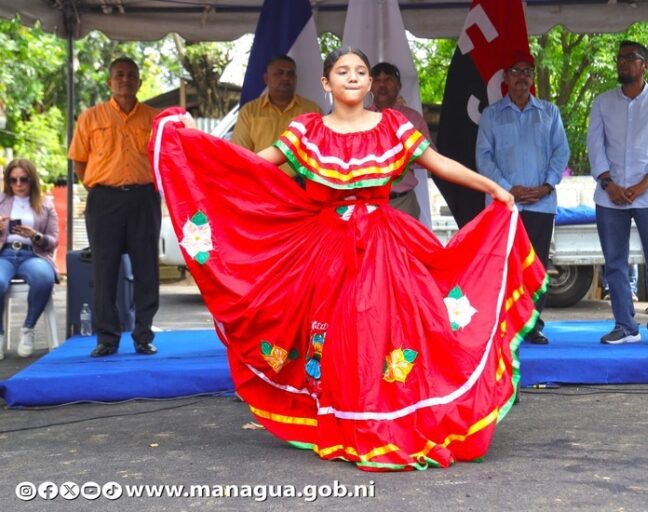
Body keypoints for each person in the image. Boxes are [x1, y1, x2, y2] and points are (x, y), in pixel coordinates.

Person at [150, 47, 546, 471]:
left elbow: (439, 163)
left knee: (386, 330)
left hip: (384, 245)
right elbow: (249, 166)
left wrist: (494, 189)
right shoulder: (308, 131)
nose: (354, 77)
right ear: (326, 83)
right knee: (338, 336)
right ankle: (345, 421)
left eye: (361, 71)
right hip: (326, 249)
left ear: (370, 82)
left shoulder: (393, 126)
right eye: (343, 71)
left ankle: (386, 418)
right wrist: (193, 142)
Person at [587, 40, 648, 346]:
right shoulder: (602, 102)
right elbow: (595, 147)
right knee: (614, 262)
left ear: (645, 65)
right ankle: (625, 326)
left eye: (629, 58)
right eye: (619, 58)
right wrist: (609, 183)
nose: (622, 63)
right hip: (609, 196)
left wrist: (642, 185)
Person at [67, 57, 161, 357]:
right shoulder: (90, 117)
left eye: (131, 75)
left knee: (147, 268)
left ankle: (143, 335)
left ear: (139, 82)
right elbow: (79, 161)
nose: (125, 79)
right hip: (104, 201)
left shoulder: (154, 118)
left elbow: (166, 157)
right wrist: (102, 185)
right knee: (105, 270)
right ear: (109, 82)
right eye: (119, 75)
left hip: (144, 198)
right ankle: (107, 338)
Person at [476, 50, 570, 345]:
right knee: (502, 264)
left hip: (541, 204)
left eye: (526, 71)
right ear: (505, 77)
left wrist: (546, 186)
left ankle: (533, 324)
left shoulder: (549, 112)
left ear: (532, 77)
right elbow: (483, 156)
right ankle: (504, 324)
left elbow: (561, 153)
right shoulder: (491, 115)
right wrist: (507, 189)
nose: (521, 77)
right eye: (515, 71)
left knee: (536, 266)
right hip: (504, 205)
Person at [0, 159, 58, 359]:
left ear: (32, 180)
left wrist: (35, 235)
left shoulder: (45, 204)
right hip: (4, 254)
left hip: (33, 254)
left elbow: (53, 241)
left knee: (44, 277)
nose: (18, 185)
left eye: (23, 179)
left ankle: (28, 329)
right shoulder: (1, 200)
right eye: (13, 179)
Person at [232, 54, 322, 173]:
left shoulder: (311, 110)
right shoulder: (250, 111)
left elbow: (319, 154)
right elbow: (240, 153)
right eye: (279, 73)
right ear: (266, 78)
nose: (285, 78)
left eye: (290, 74)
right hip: (261, 182)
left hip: (299, 186)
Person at [367, 62, 430, 220]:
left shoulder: (413, 119)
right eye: (377, 80)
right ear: (369, 86)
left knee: (405, 246)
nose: (382, 85)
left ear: (398, 85)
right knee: (368, 246)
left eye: (388, 79)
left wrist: (401, 156)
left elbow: (431, 160)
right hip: (368, 204)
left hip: (403, 203)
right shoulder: (359, 118)